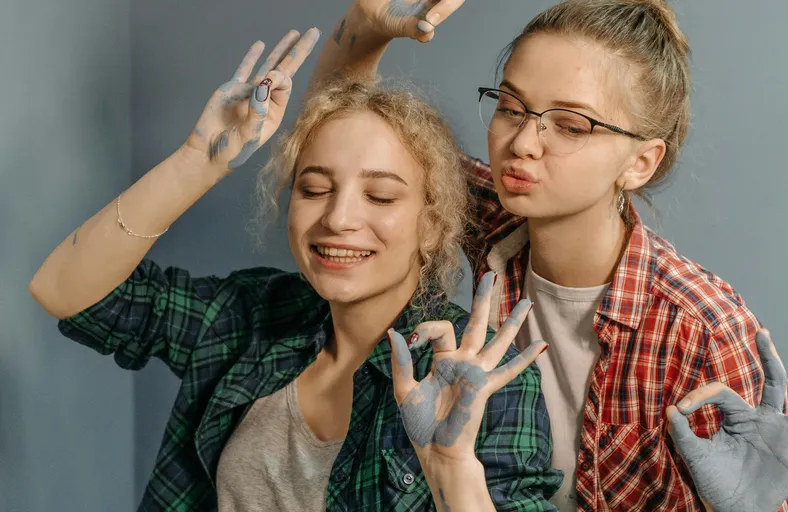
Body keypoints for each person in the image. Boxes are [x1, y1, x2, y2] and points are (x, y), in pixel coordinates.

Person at [306, 1, 788, 511]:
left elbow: (751, 489)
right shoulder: (498, 222)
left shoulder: (701, 330)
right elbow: (346, 133)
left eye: (572, 125)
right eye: (510, 106)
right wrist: (365, 27)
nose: (523, 142)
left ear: (641, 163)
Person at [29, 28, 561, 511]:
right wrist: (201, 157)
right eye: (314, 189)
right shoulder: (252, 314)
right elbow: (63, 291)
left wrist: (451, 473)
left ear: (431, 225)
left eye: (380, 196)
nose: (338, 217)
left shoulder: (484, 379)